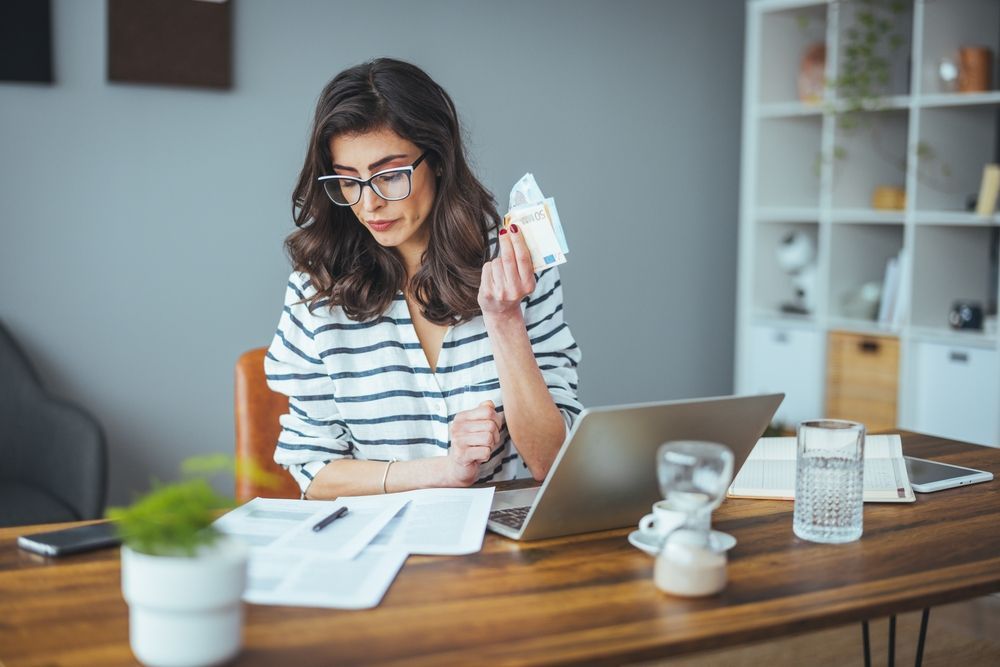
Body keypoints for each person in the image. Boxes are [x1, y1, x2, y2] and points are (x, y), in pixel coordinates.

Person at [264, 58, 581, 499]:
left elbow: (554, 462)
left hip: (504, 548)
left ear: (438, 160)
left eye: (389, 175)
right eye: (349, 180)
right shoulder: (317, 292)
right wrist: (443, 471)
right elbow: (314, 473)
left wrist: (505, 318)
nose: (369, 204)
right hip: (382, 545)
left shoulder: (514, 266)